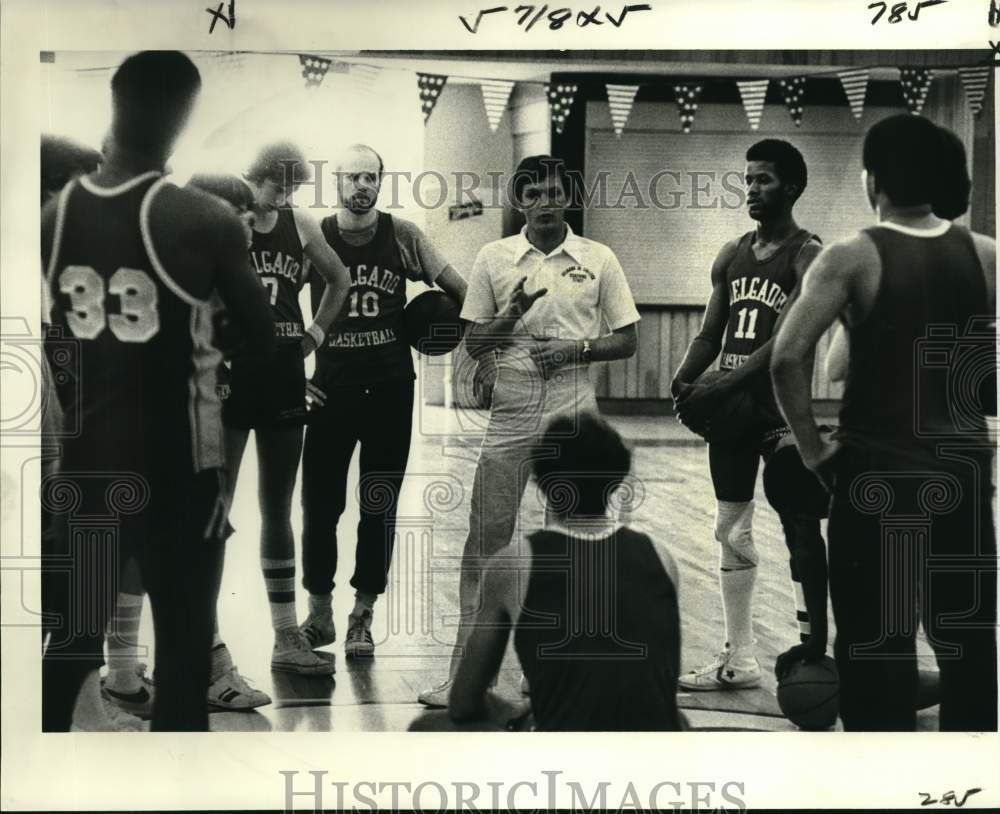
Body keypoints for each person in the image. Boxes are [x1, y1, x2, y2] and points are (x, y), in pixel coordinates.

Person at [41, 51, 275, 731]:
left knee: (72, 649)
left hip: (86, 468)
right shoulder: (203, 219)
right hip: (179, 473)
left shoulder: (53, 220)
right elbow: (262, 344)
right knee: (181, 665)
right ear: (186, 115)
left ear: (113, 106)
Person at [772, 114, 997, 731]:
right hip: (962, 480)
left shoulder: (851, 256)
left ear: (873, 179)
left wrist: (814, 450)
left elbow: (788, 358)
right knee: (970, 642)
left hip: (878, 483)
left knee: (876, 645)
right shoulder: (988, 256)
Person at [419, 154, 640, 706]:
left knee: (575, 540)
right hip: (511, 412)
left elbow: (628, 338)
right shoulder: (495, 257)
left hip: (574, 411)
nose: (545, 201)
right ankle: (465, 677)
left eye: (554, 191)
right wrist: (509, 315)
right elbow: (473, 345)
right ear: (520, 201)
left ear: (568, 197)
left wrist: (577, 348)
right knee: (487, 542)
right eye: (534, 192)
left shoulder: (598, 257)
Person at [99, 174, 271, 719]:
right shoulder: (184, 268)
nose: (247, 218)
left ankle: (126, 670)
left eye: (249, 209)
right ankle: (184, 672)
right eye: (235, 208)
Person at [298, 144, 467, 658]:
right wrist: (291, 368)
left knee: (380, 505)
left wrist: (449, 330)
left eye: (369, 177)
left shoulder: (404, 235)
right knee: (319, 504)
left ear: (381, 182)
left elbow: (460, 289)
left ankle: (362, 614)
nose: (361, 186)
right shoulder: (314, 236)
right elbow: (277, 301)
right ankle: (320, 612)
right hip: (330, 388)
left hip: (391, 388)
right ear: (337, 183)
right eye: (351, 177)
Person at [670, 139, 825, 690]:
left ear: (792, 187)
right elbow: (711, 332)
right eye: (749, 179)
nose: (752, 189)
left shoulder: (809, 255)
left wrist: (722, 384)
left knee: (801, 526)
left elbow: (786, 341)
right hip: (733, 413)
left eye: (764, 179)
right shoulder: (731, 254)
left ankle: (815, 652)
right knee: (730, 527)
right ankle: (739, 656)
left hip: (782, 408)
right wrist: (685, 380)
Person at [447, 413, 684, 731]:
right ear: (616, 477)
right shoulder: (661, 555)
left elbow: (463, 702)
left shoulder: (514, 563)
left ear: (541, 480)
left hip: (569, 755)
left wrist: (518, 709)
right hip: (654, 753)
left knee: (428, 727)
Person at [220, 141, 351, 676]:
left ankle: (285, 636)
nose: (284, 195)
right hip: (229, 368)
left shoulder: (299, 223)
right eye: (278, 185)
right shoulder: (224, 212)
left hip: (281, 369)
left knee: (278, 505)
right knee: (214, 507)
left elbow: (340, 280)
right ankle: (202, 639)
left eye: (293, 187)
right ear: (258, 173)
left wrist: (315, 334)